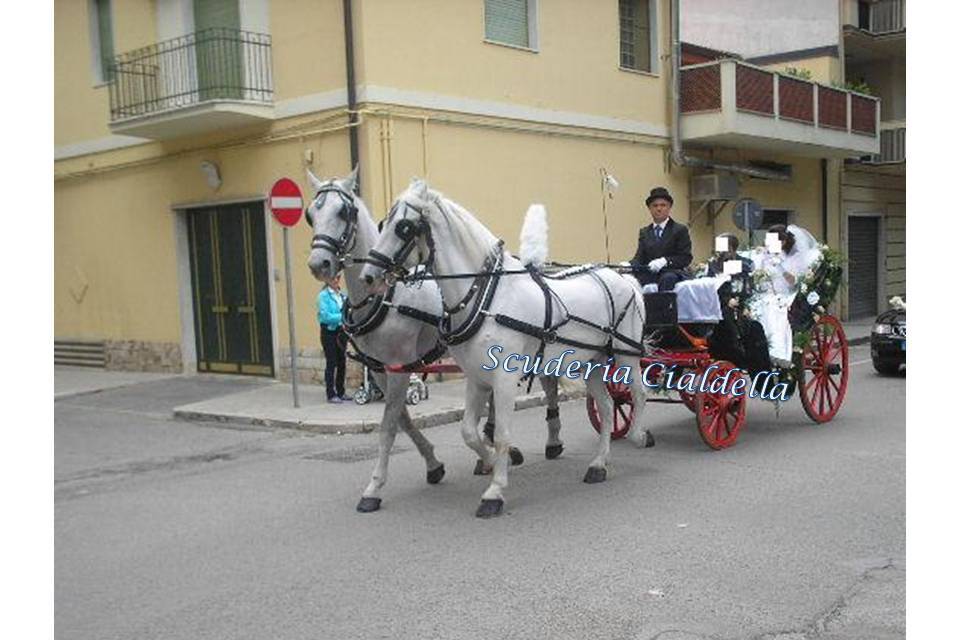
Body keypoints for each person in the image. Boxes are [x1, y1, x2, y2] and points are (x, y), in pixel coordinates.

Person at [748, 224, 822, 366]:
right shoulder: (764, 255)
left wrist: (780, 266)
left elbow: (793, 282)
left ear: (783, 242)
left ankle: (775, 351)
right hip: (764, 293)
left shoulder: (795, 258)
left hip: (785, 295)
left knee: (774, 310)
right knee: (753, 307)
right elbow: (756, 275)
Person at [629, 187, 692, 291]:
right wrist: (628, 265)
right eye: (655, 205)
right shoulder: (644, 232)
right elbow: (640, 258)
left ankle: (664, 307)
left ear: (669, 207)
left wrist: (665, 261)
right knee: (631, 280)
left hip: (673, 273)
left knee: (668, 278)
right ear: (650, 209)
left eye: (663, 205)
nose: (659, 209)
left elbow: (685, 257)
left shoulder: (680, 230)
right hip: (651, 274)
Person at [317, 274, 349, 403]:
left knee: (342, 362)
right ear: (327, 280)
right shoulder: (323, 296)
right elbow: (325, 316)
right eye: (333, 278)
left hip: (341, 332)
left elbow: (348, 310)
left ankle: (341, 391)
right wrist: (342, 317)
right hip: (329, 332)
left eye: (338, 277)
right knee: (331, 362)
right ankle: (331, 393)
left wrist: (345, 316)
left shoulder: (343, 294)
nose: (336, 280)